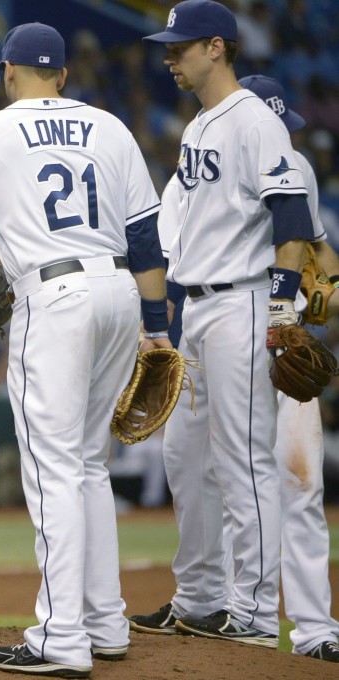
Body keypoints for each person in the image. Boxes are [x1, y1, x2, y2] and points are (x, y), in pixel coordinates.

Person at [0, 22, 169, 677]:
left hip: (52, 300)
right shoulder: (110, 127)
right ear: (63, 75)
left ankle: (61, 637)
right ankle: (105, 622)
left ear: (7, 73)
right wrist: (159, 326)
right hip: (117, 294)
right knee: (86, 466)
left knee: (52, 469)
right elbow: (144, 240)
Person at [129, 0, 315, 650]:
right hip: (198, 310)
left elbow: (291, 218)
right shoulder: (199, 126)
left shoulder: (255, 123)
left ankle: (257, 614)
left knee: (244, 462)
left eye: (179, 47)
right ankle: (204, 598)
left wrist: (283, 307)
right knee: (184, 456)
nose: (168, 58)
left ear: (216, 46)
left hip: (240, 301)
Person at [228, 76, 337, 662]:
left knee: (299, 482)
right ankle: (241, 612)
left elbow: (320, 251)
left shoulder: (297, 168)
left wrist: (328, 294)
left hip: (285, 334)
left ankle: (316, 628)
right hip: (228, 324)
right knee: (237, 480)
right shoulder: (213, 160)